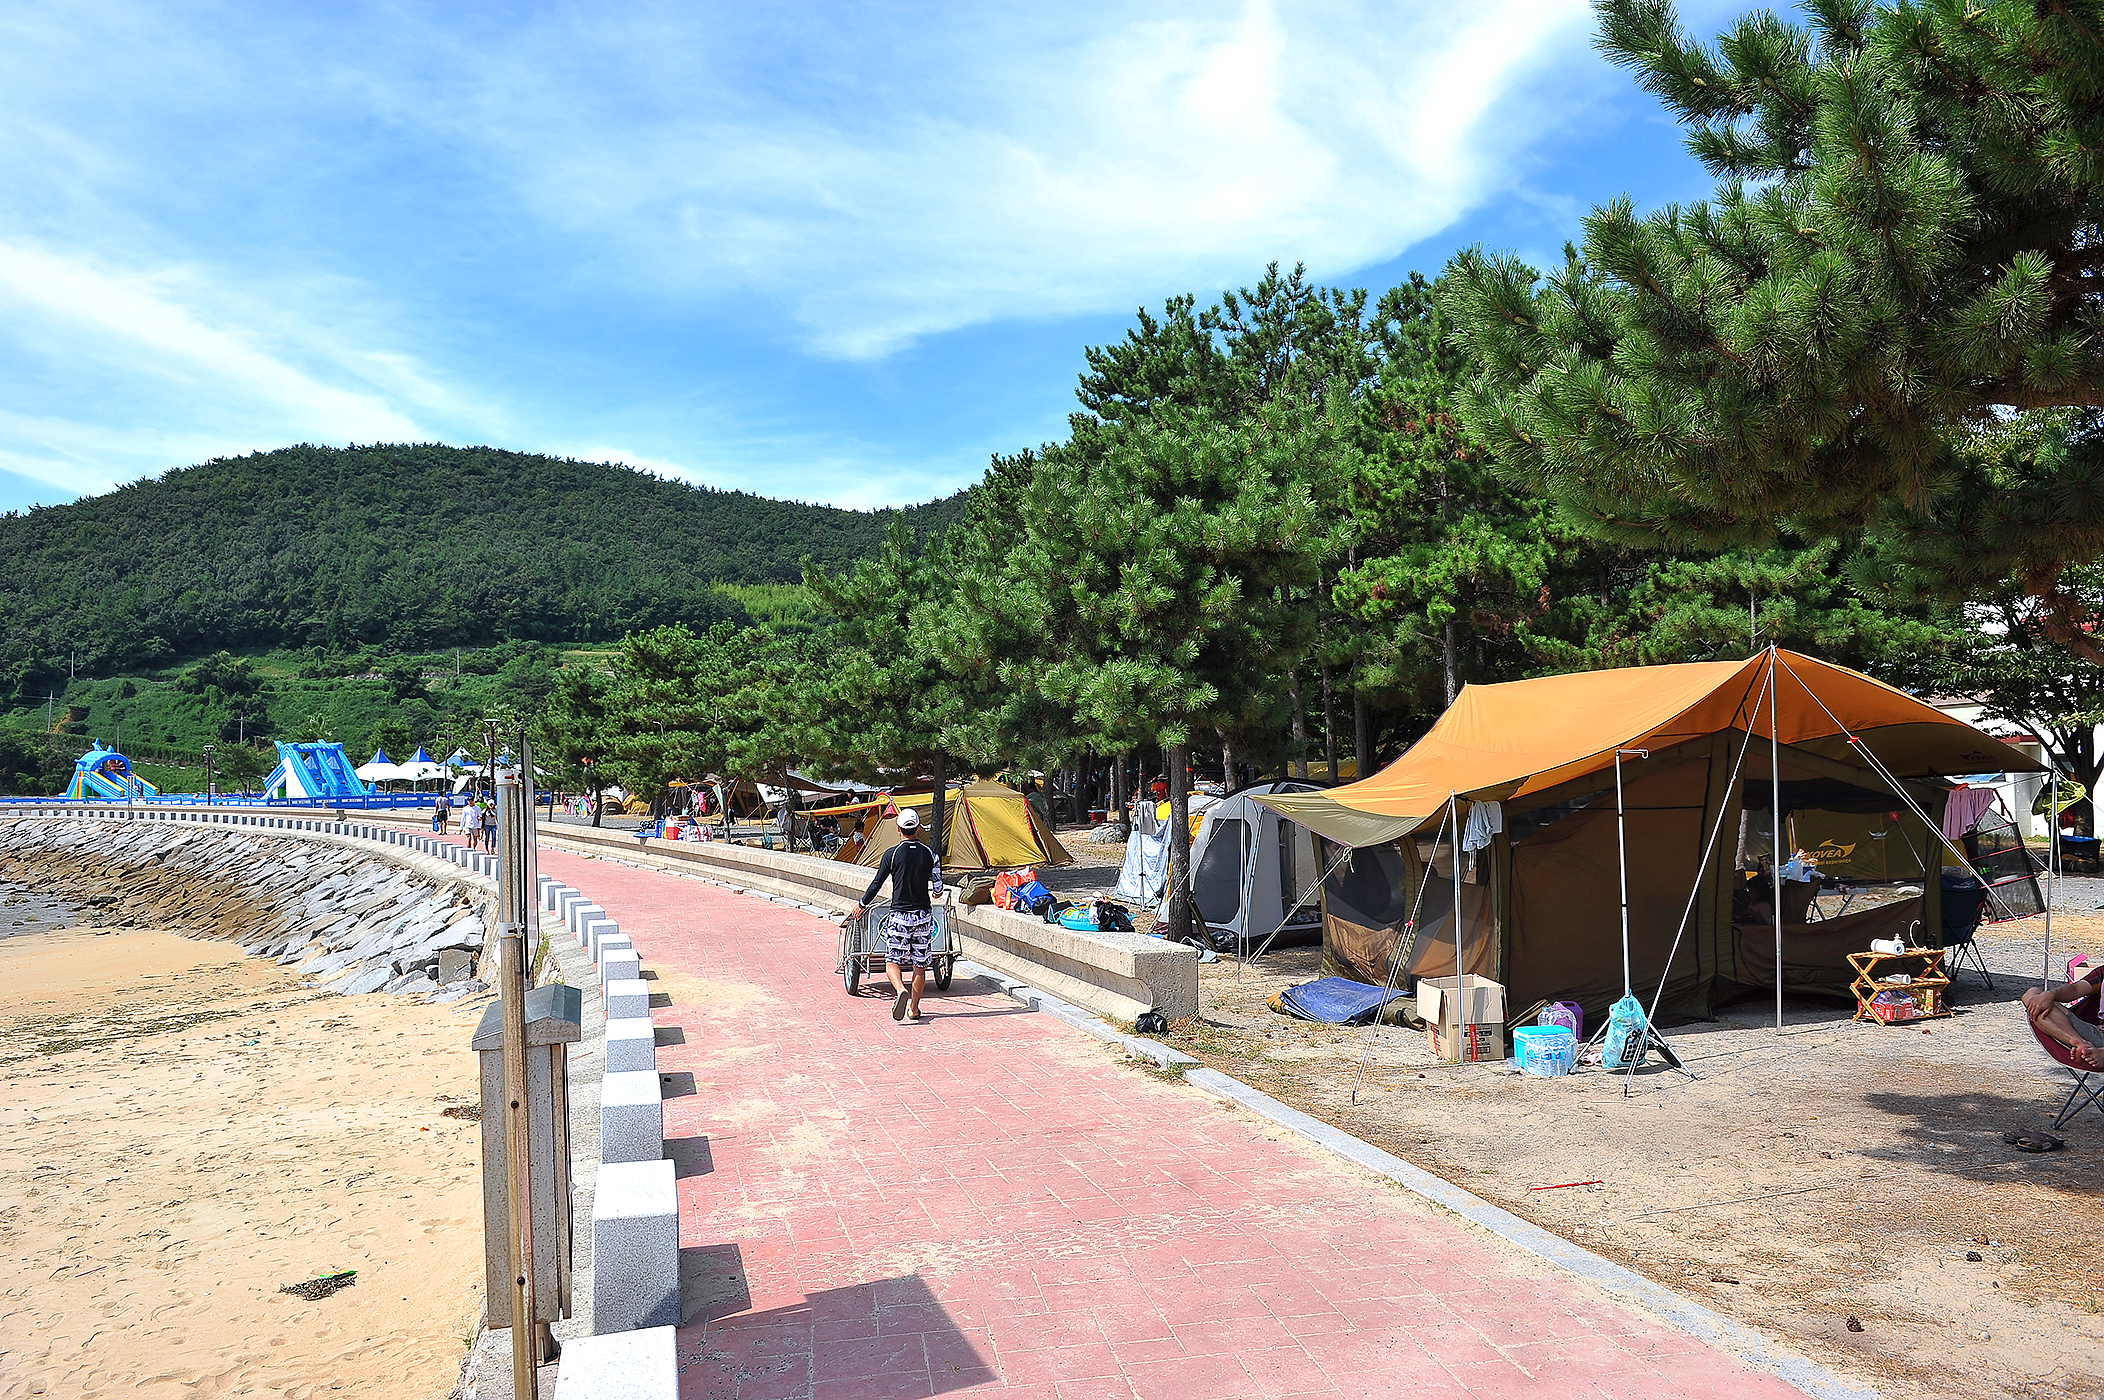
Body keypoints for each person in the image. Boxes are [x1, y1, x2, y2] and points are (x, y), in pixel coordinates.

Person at [850, 807, 944, 1022]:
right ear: (918, 828)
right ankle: (914, 1008)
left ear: (898, 829)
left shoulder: (891, 855)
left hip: (899, 915)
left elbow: (877, 883)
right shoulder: (931, 855)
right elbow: (938, 889)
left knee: (891, 961)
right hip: (923, 915)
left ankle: (900, 988)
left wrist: (862, 904)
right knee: (920, 964)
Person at [2023, 963, 2104, 1070]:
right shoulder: (2102, 973)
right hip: (2097, 1036)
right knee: (2033, 996)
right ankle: (2080, 1043)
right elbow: (2075, 989)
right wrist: (2051, 994)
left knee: (2036, 1000)